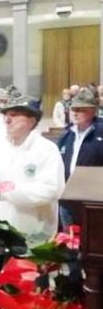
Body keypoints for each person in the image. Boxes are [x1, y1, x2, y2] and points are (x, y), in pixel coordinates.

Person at [0, 94, 65, 247]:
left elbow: (50, 190)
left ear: (32, 121)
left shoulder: (46, 150)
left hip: (32, 234)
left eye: (15, 115)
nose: (7, 120)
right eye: (6, 115)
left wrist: (8, 191)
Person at [57, 89, 103, 227]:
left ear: (93, 111)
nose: (75, 113)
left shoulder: (100, 132)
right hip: (67, 200)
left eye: (81, 109)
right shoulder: (66, 136)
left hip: (93, 201)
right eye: (73, 109)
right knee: (69, 241)